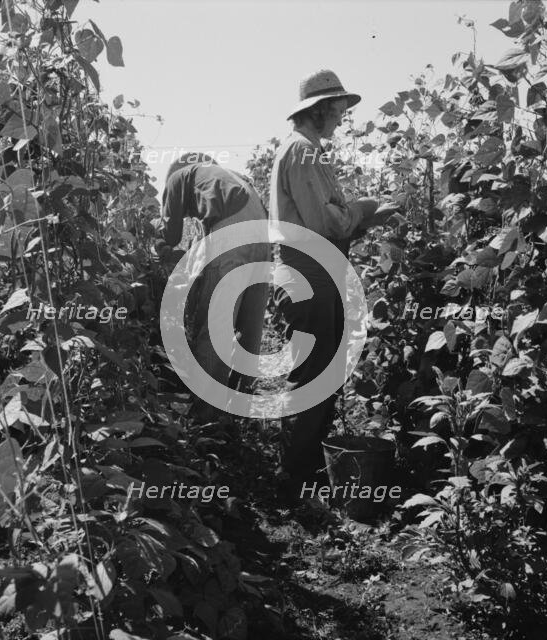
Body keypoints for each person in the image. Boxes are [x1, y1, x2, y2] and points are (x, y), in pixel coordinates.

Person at [269, 69, 397, 502]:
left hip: (314, 270)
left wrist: (358, 214)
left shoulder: (304, 151)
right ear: (319, 109)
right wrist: (365, 209)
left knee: (321, 369)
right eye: (339, 110)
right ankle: (294, 481)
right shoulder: (303, 152)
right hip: (309, 272)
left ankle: (305, 472)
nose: (343, 118)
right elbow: (327, 222)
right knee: (314, 374)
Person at [156, 153, 270, 422]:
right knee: (249, 327)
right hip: (263, 240)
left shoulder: (177, 178)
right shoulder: (232, 178)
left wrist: (159, 243)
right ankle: (243, 407)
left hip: (233, 238)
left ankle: (206, 418)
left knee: (215, 326)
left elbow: (170, 235)